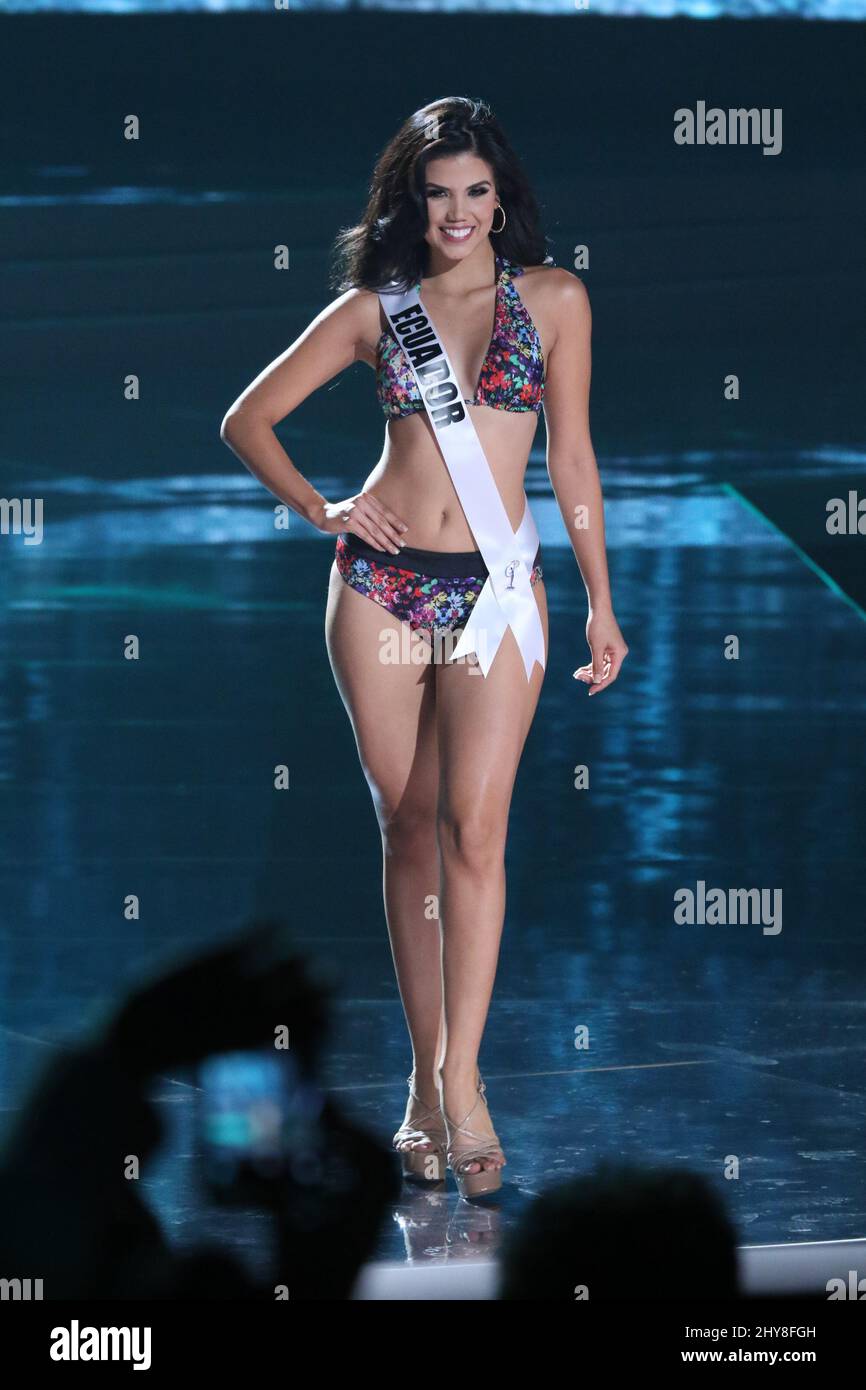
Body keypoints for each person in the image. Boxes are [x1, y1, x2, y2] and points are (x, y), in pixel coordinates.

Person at [220, 96, 628, 1200]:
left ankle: (462, 1083)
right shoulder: (371, 311)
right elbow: (246, 418)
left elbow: (574, 463)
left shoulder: (552, 299)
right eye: (436, 193)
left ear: (504, 198)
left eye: (476, 193)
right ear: (413, 200)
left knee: (475, 830)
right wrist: (323, 508)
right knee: (408, 827)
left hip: (499, 589)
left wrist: (598, 597)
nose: (456, 212)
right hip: (382, 592)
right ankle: (415, 1079)